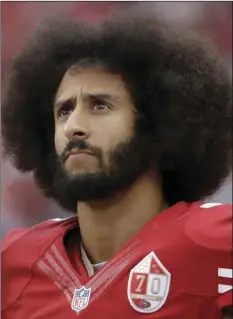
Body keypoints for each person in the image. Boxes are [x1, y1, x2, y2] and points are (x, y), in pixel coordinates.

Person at [1, 12, 232, 319]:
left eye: (100, 105)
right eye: (63, 111)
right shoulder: (15, 261)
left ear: (157, 126)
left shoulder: (217, 241)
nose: (73, 127)